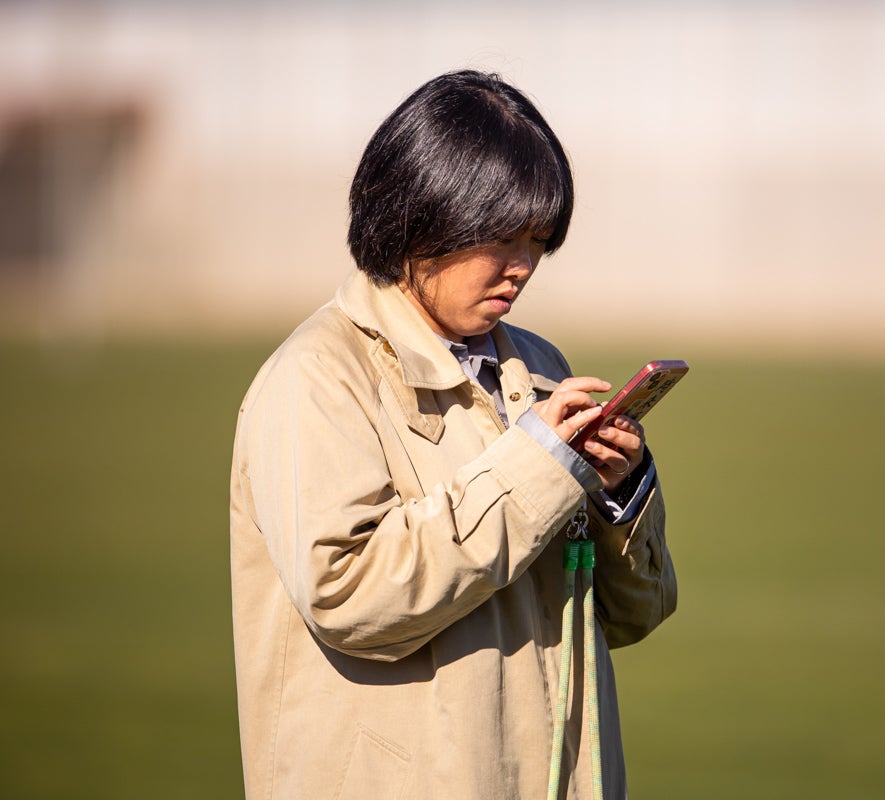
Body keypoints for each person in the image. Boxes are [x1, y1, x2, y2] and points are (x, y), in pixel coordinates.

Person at [229, 69, 678, 800]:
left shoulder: (538, 366)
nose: (523, 267)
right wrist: (535, 470)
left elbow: (631, 618)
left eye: (538, 241)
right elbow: (349, 594)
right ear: (421, 216)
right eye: (501, 237)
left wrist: (623, 494)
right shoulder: (315, 377)